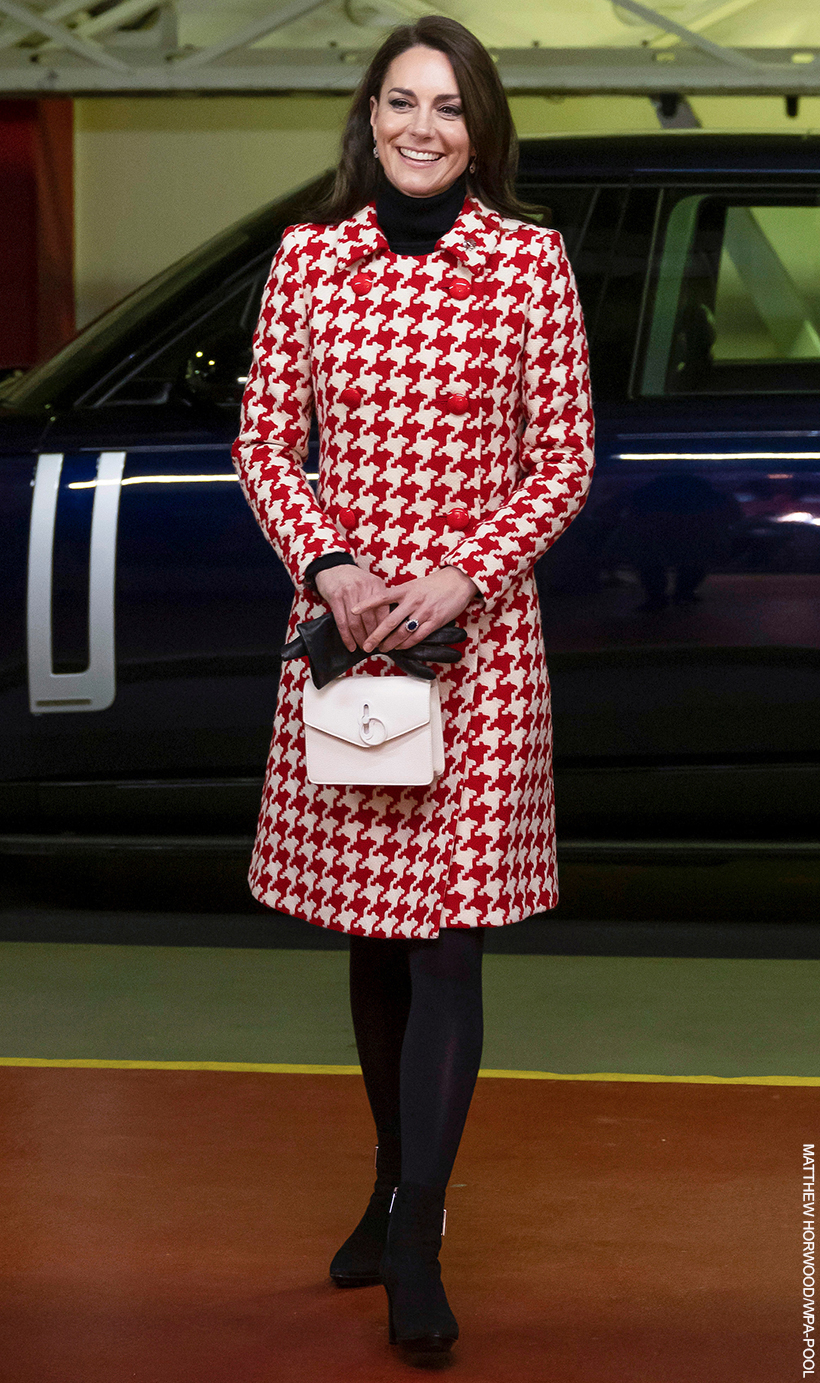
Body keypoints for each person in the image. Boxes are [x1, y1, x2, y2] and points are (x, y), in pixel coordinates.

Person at [232, 15, 595, 1360]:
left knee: (448, 934)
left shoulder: (531, 263)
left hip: (474, 644)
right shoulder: (309, 260)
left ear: (479, 123)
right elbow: (268, 439)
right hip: (346, 635)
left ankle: (416, 1233)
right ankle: (388, 1181)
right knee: (371, 937)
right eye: (400, 100)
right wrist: (328, 568)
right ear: (370, 115)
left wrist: (463, 577)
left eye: (447, 105)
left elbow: (562, 458)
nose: (422, 125)